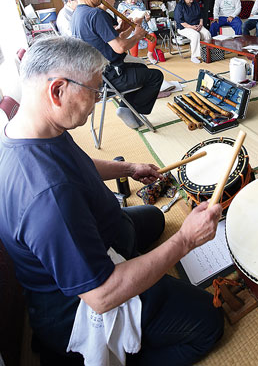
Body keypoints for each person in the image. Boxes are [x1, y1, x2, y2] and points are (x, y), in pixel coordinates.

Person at [0, 36, 224, 365]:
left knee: (155, 218)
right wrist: (186, 240)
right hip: (80, 303)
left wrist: (128, 167)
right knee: (208, 321)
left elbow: (77, 163)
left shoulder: (31, 128)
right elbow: (102, 296)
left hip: (97, 228)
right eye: (94, 91)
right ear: (58, 90)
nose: (97, 100)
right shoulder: (48, 197)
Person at [71, 0, 163, 130]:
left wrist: (121, 29)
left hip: (93, 78)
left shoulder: (77, 15)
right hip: (110, 77)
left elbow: (104, 39)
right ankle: (131, 109)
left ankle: (126, 107)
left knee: (140, 67)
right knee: (155, 76)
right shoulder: (95, 14)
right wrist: (137, 35)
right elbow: (119, 47)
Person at [118, 0, 158, 65]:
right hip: (131, 30)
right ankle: (135, 60)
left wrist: (147, 18)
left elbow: (145, 19)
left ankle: (150, 54)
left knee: (153, 37)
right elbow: (119, 21)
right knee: (133, 42)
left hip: (143, 27)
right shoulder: (122, 6)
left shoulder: (140, 4)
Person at [174, 0, 211, 64]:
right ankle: (194, 56)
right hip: (184, 28)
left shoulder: (195, 3)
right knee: (195, 35)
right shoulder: (180, 6)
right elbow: (180, 21)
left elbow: (201, 15)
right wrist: (191, 27)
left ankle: (206, 53)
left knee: (207, 33)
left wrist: (200, 24)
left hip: (197, 25)